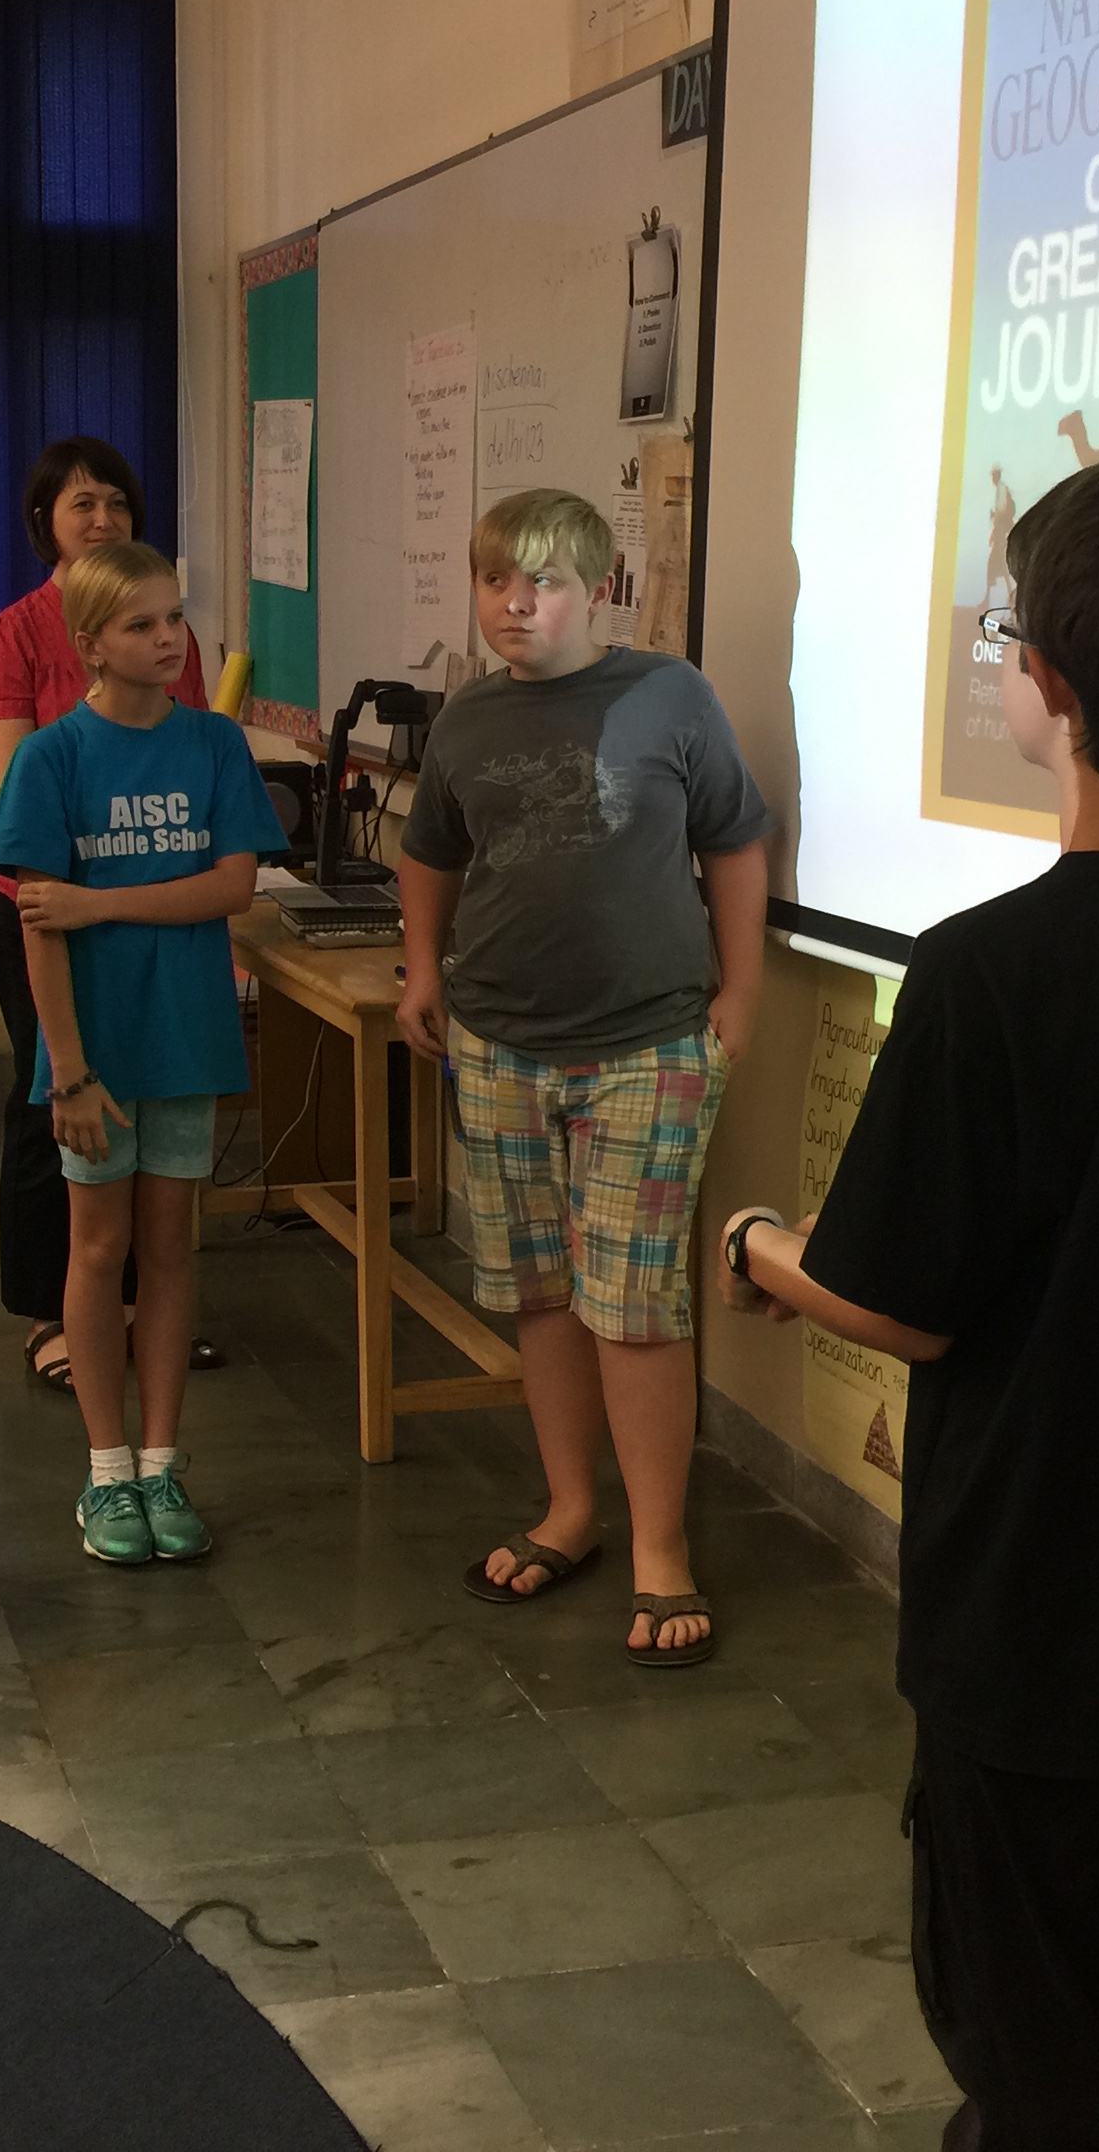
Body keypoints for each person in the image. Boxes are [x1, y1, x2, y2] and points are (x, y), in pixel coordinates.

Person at [724, 449, 1099, 2149]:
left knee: (1033, 2029)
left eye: (998, 631)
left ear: (1044, 683)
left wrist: (757, 1244)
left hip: (1044, 1596)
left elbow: (899, 1299)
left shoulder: (994, 968)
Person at [393, 489, 770, 1667]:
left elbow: (735, 840)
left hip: (650, 1046)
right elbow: (428, 853)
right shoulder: (465, 720)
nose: (517, 604)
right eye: (496, 581)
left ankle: (661, 1548)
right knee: (541, 1291)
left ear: (597, 590)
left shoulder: (672, 695)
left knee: (636, 1302)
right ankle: (570, 1511)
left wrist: (742, 993)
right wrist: (423, 971)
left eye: (544, 582)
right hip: (499, 1042)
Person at [0, 541, 278, 1568]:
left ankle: (161, 1462)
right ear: (92, 644)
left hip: (185, 1038)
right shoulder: (51, 758)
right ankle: (106, 1470)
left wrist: (101, 901)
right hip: (93, 1056)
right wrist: (67, 1070)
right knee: (98, 1252)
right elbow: (39, 923)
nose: (168, 639)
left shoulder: (214, 744)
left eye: (174, 618)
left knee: (171, 1249)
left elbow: (232, 887)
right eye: (141, 624)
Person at [0, 437, 214, 1395]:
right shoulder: (12, 636)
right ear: (46, 525)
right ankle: (54, 1313)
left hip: (151, 908)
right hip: (43, 906)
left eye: (116, 499)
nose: (102, 517)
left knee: (147, 1097)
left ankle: (141, 1310)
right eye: (80, 504)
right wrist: (97, 884)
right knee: (54, 1101)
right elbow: (21, 791)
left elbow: (189, 756)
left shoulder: (169, 633)